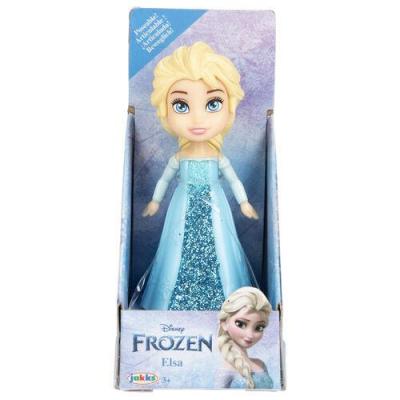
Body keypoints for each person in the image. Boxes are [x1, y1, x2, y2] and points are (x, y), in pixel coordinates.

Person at [130, 42, 259, 311]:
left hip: (214, 203)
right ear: (165, 109)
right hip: (184, 203)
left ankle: (226, 301)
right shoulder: (180, 156)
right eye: (181, 105)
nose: (198, 119)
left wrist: (244, 202)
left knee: (220, 244)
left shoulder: (216, 156)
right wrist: (155, 201)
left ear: (229, 106)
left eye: (213, 104)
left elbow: (234, 180)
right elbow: (164, 179)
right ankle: (170, 301)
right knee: (177, 245)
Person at [216, 287, 273, 389]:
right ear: (224, 323)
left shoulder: (261, 365)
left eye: (259, 328)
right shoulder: (225, 369)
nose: (250, 335)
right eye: (240, 324)